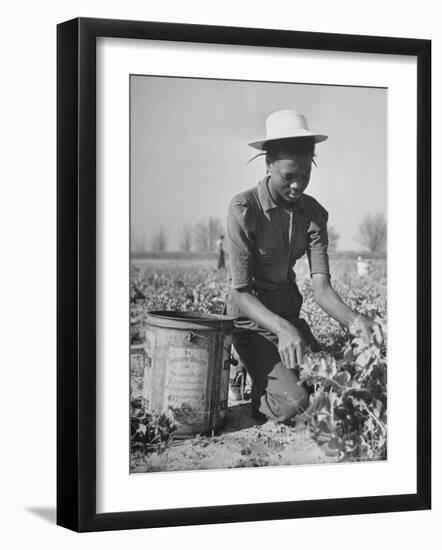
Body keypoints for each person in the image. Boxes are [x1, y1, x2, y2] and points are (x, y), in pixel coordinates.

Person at [224, 109, 383, 422]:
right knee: (296, 403)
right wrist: (282, 329)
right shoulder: (244, 209)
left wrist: (355, 321)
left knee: (330, 381)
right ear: (268, 164)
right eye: (288, 177)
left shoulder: (314, 215)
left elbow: (322, 289)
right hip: (251, 321)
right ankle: (247, 371)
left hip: (289, 318)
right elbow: (241, 292)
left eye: (305, 176)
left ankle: (271, 366)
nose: (297, 186)